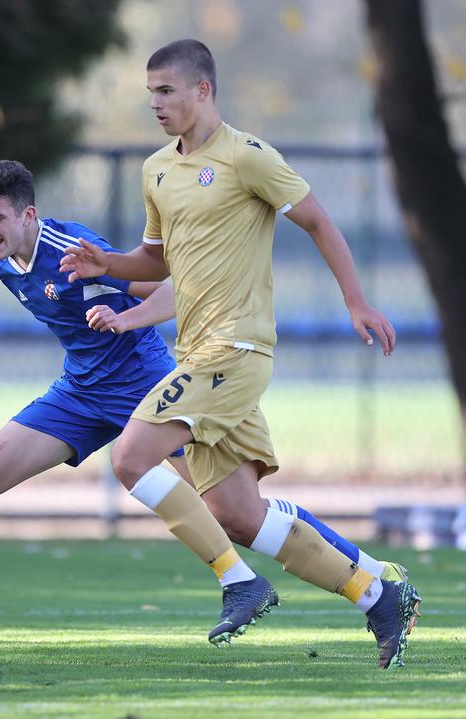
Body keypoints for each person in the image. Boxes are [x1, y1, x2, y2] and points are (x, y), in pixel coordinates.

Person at [0, 160, 400, 660]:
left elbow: (177, 289)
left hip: (149, 387)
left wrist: (124, 318)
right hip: (80, 394)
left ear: (28, 215)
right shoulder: (4, 263)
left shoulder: (71, 250)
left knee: (240, 515)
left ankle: (371, 579)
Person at [59, 39, 420, 668]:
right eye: (151, 94)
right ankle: (376, 594)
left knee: (131, 455)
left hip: (237, 349)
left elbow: (319, 222)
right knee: (238, 515)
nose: (157, 104)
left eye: (167, 90)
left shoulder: (247, 156)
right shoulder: (156, 170)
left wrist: (357, 302)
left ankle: (240, 585)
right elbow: (159, 261)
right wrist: (108, 266)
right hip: (198, 353)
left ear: (204, 90)